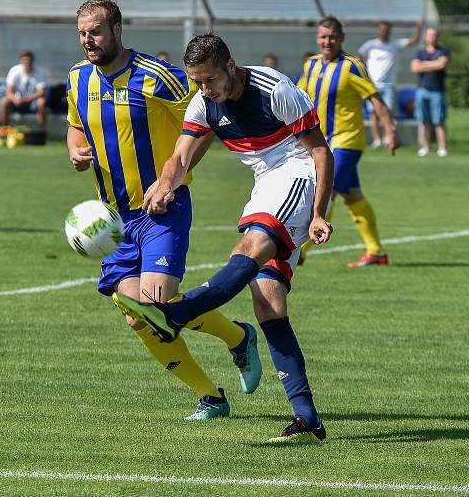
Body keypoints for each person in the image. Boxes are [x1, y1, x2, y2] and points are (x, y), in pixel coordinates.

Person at [112, 33, 334, 442]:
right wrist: (165, 182)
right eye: (197, 82)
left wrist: (319, 212)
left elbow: (320, 152)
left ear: (231, 66)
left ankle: (176, 314)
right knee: (267, 301)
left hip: (298, 173)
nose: (205, 89)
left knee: (246, 248)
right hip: (266, 183)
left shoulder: (275, 90)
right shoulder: (204, 103)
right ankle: (307, 420)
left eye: (210, 80)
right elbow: (181, 155)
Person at [65, 0, 261, 421]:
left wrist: (169, 179)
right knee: (141, 318)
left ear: (117, 29)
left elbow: (204, 119)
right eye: (82, 33)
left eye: (95, 31)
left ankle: (237, 337)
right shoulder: (78, 78)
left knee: (157, 303)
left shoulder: (158, 77)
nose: (88, 40)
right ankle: (211, 394)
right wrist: (76, 151)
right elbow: (76, 125)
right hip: (112, 219)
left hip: (161, 210)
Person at [297, 16, 400, 268]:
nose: (327, 41)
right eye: (323, 36)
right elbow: (297, 96)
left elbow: (376, 100)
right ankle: (376, 251)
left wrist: (390, 130)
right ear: (317, 38)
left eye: (332, 37)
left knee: (326, 189)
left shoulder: (353, 66)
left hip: (347, 141)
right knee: (351, 195)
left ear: (341, 38)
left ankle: (299, 251)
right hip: (321, 144)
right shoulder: (310, 65)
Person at [358, 20, 421, 149]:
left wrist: (418, 28)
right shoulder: (371, 45)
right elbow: (358, 57)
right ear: (379, 30)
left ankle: (388, 138)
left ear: (390, 31)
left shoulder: (395, 44)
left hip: (389, 85)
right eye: (382, 29)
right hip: (372, 85)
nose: (384, 31)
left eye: (386, 29)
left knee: (388, 113)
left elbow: (413, 41)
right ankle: (377, 140)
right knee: (374, 113)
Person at [410, 28, 450, 157]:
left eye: (435, 35)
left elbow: (442, 64)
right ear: (426, 37)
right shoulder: (420, 52)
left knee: (439, 120)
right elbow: (415, 67)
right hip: (422, 90)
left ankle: (442, 148)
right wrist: (433, 64)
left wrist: (424, 65)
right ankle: (425, 147)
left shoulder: (443, 51)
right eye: (430, 35)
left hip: (437, 90)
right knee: (423, 120)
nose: (433, 37)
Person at [0, 50, 48, 131]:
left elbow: (41, 92)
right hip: (17, 101)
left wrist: (27, 99)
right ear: (20, 61)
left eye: (28, 61)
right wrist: (15, 99)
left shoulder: (39, 72)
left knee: (41, 102)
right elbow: (8, 92)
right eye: (24, 61)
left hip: (32, 102)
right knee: (4, 102)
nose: (26, 63)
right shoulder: (14, 71)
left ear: (32, 61)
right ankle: (4, 130)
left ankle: (42, 131)